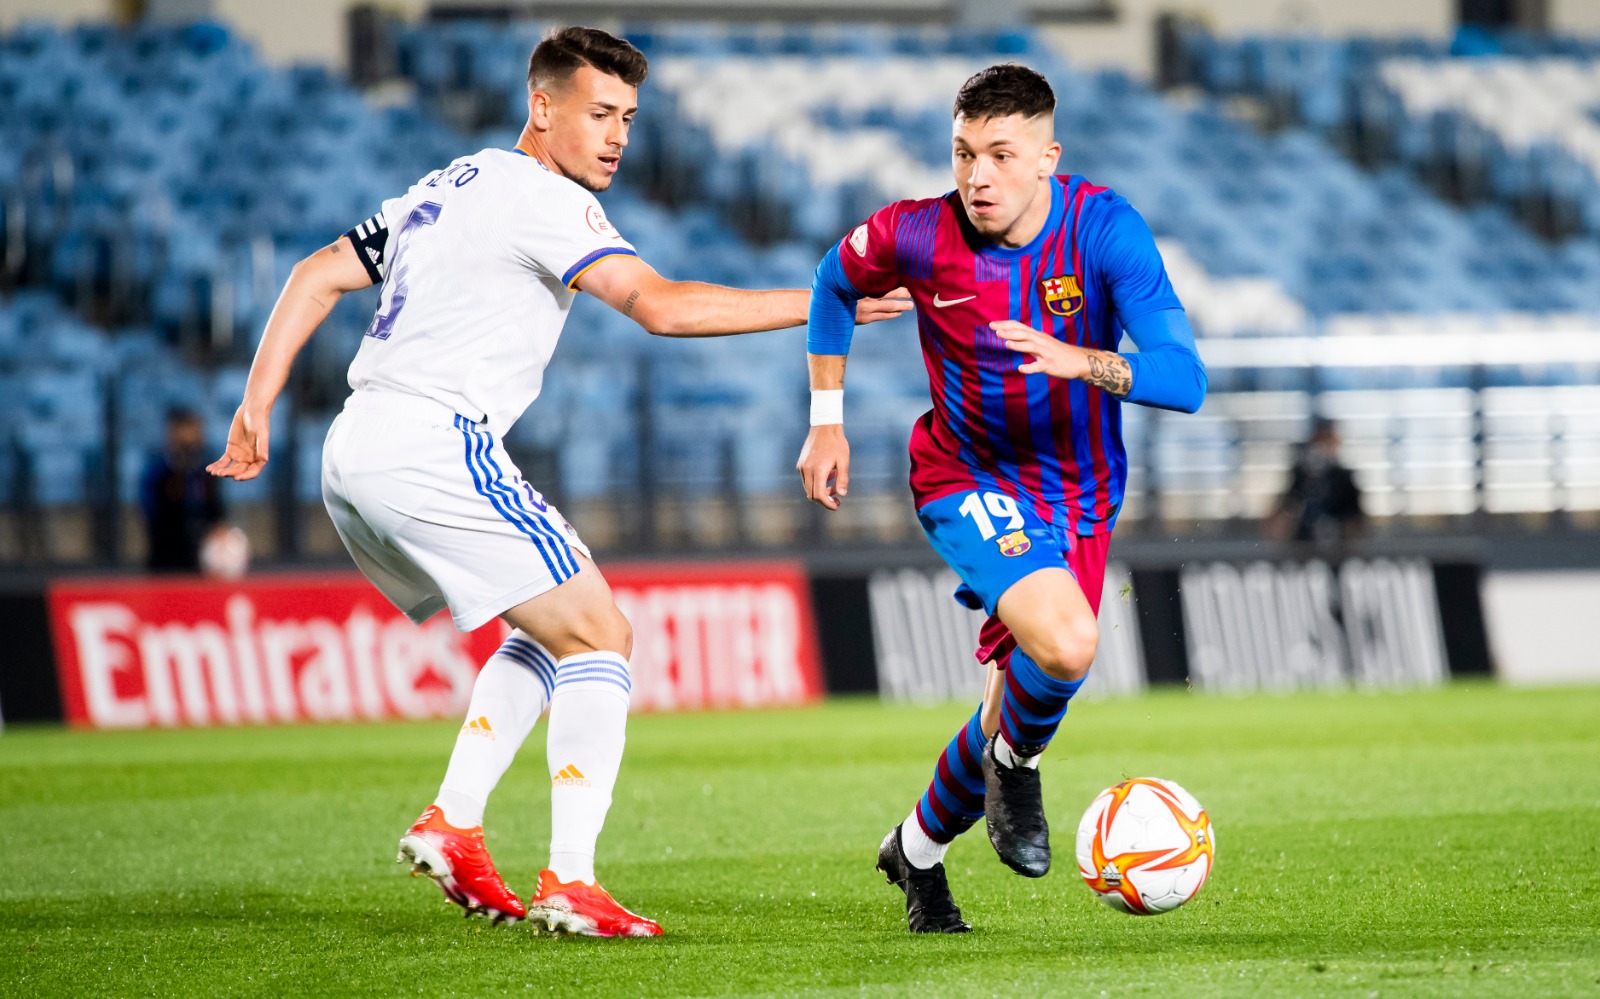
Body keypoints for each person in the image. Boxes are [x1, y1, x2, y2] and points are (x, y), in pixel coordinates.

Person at [208, 26, 908, 938]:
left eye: (628, 117)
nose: (618, 136)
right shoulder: (544, 198)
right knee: (602, 632)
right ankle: (570, 880)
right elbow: (659, 307)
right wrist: (828, 302)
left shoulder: (446, 184)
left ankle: (456, 820)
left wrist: (256, 403)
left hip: (357, 447)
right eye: (599, 113)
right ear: (542, 109)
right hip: (429, 438)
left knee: (550, 631)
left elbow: (314, 273)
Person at [797, 64, 1207, 932]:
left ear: (1047, 159)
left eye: (1000, 155)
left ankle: (914, 850)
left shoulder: (1106, 231)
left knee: (1017, 685)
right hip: (967, 474)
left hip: (1081, 492)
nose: (977, 175)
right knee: (1066, 644)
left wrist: (1083, 360)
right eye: (963, 153)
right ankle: (1015, 769)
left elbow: (1186, 377)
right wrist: (825, 422)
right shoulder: (914, 233)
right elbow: (833, 285)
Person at [141, 407, 226, 572]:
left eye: (195, 429)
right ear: (172, 432)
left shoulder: (206, 472)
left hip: (202, 565)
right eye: (185, 429)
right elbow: (153, 514)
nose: (191, 436)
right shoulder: (158, 472)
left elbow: (215, 512)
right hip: (165, 563)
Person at [1270, 416, 1364, 543]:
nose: (1323, 447)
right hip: (1304, 544)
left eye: (1328, 440)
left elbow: (1356, 519)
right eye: (1320, 441)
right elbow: (1285, 508)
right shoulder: (1301, 476)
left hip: (1338, 546)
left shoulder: (1344, 478)